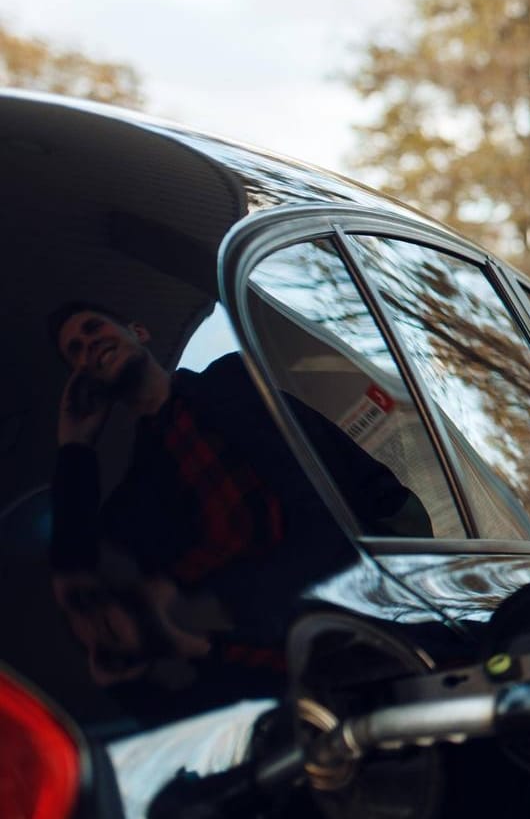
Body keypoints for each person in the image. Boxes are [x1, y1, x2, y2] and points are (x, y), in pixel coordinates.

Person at [46, 301, 426, 712]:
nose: (89, 345)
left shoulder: (233, 378)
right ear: (85, 379)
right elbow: (78, 576)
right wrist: (74, 447)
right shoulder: (138, 496)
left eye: (93, 329)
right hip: (292, 669)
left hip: (379, 604)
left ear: (138, 331)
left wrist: (404, 552)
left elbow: (337, 456)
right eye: (76, 351)